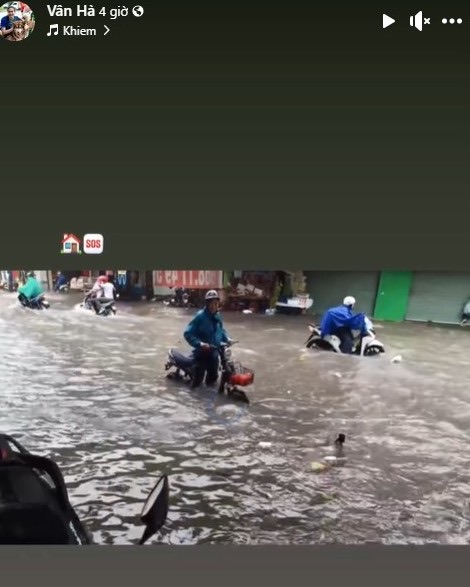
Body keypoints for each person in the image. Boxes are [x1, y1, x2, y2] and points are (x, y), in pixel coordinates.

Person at [184, 290, 230, 388]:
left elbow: (221, 331)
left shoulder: (218, 316)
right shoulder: (200, 316)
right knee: (197, 382)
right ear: (207, 304)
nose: (214, 306)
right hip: (201, 355)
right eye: (211, 304)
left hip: (214, 354)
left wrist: (227, 339)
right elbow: (188, 333)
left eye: (216, 303)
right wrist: (200, 344)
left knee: (213, 379)